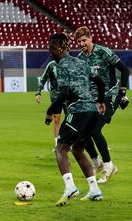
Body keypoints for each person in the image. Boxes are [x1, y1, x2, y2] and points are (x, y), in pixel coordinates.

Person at [46, 33, 106, 206]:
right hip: (93, 111)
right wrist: (100, 100)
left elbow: (64, 93)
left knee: (61, 148)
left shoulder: (62, 65)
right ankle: (95, 190)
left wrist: (50, 111)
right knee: (78, 149)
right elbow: (100, 82)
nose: (50, 53)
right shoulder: (81, 63)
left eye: (51, 49)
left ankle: (70, 186)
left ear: (58, 48)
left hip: (78, 111)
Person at [74, 26, 130, 183]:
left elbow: (124, 70)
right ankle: (97, 163)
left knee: (95, 129)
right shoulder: (80, 57)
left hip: (109, 96)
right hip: (91, 99)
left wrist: (123, 94)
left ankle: (108, 166)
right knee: (81, 133)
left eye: (84, 40)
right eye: (79, 41)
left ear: (91, 38)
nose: (82, 44)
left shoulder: (104, 52)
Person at [36, 60, 67, 147]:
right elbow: (43, 79)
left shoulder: (70, 63)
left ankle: (69, 140)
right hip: (56, 96)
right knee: (56, 118)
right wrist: (38, 92)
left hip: (69, 96)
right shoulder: (51, 65)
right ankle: (57, 143)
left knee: (70, 119)